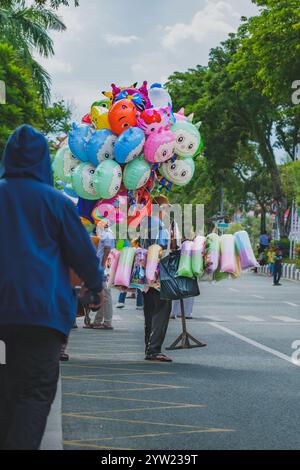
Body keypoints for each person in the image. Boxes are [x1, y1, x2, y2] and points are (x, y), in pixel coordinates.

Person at [0, 125, 104, 450]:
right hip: (40, 317)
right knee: (33, 393)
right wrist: (96, 288)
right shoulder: (56, 202)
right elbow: (83, 254)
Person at [141, 195, 177, 363]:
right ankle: (154, 350)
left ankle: (149, 348)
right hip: (158, 272)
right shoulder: (158, 225)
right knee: (162, 309)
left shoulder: (144, 222)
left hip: (145, 272)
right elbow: (161, 248)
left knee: (150, 310)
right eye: (166, 208)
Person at [88, 220, 116, 330]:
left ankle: (107, 321)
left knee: (106, 294)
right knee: (102, 293)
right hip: (102, 266)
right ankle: (97, 321)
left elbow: (107, 249)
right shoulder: (105, 233)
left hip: (104, 267)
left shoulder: (107, 234)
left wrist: (103, 264)